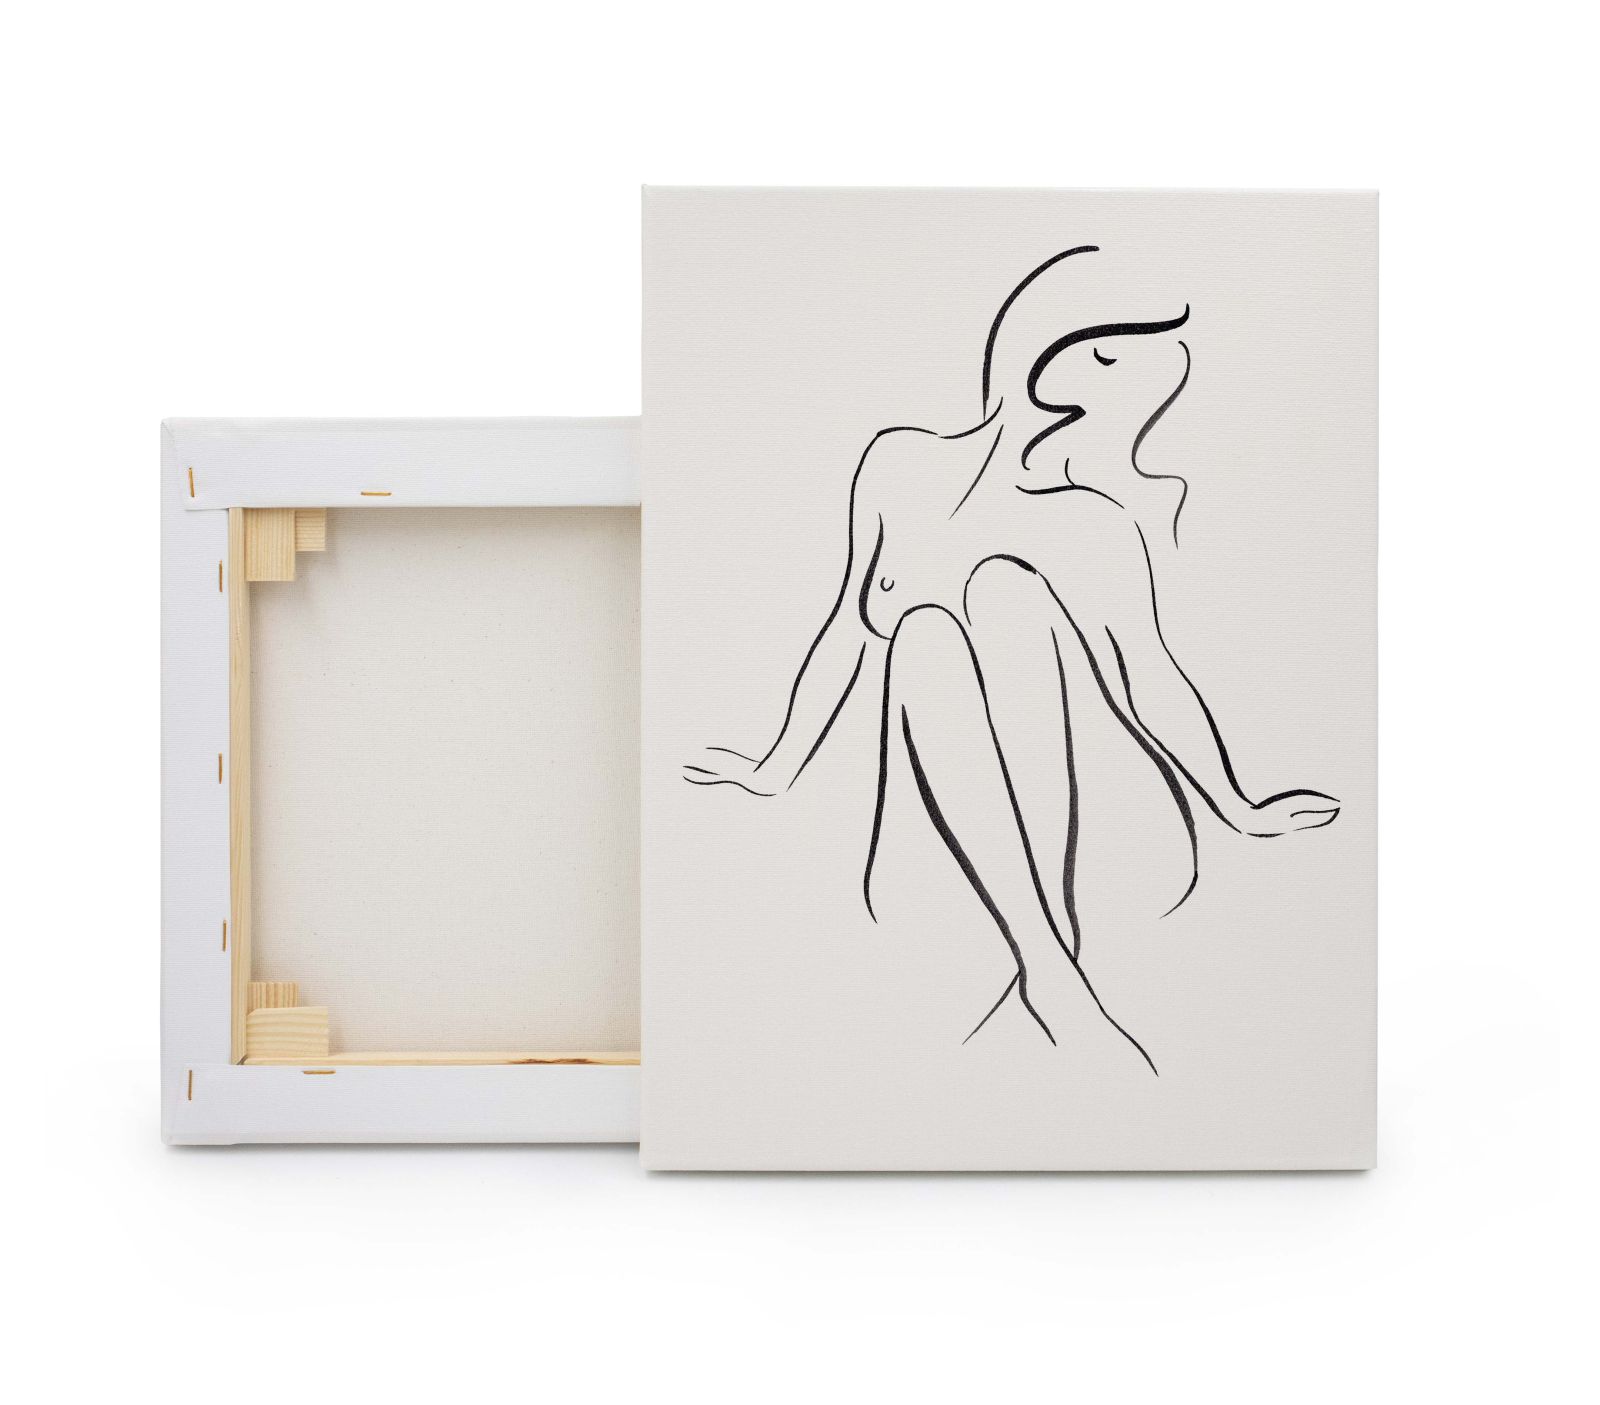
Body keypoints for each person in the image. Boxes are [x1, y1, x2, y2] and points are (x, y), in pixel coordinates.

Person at [683, 246, 1338, 1069]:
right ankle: (1045, 962)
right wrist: (775, 765)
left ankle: (1050, 964)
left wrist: (1239, 806)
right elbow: (849, 626)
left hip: (1091, 844)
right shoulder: (899, 464)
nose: (1138, 399)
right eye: (1112, 362)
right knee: (923, 634)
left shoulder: (1093, 522)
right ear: (1043, 355)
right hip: (941, 838)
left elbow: (1149, 678)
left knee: (1003, 590)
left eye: (1150, 377)